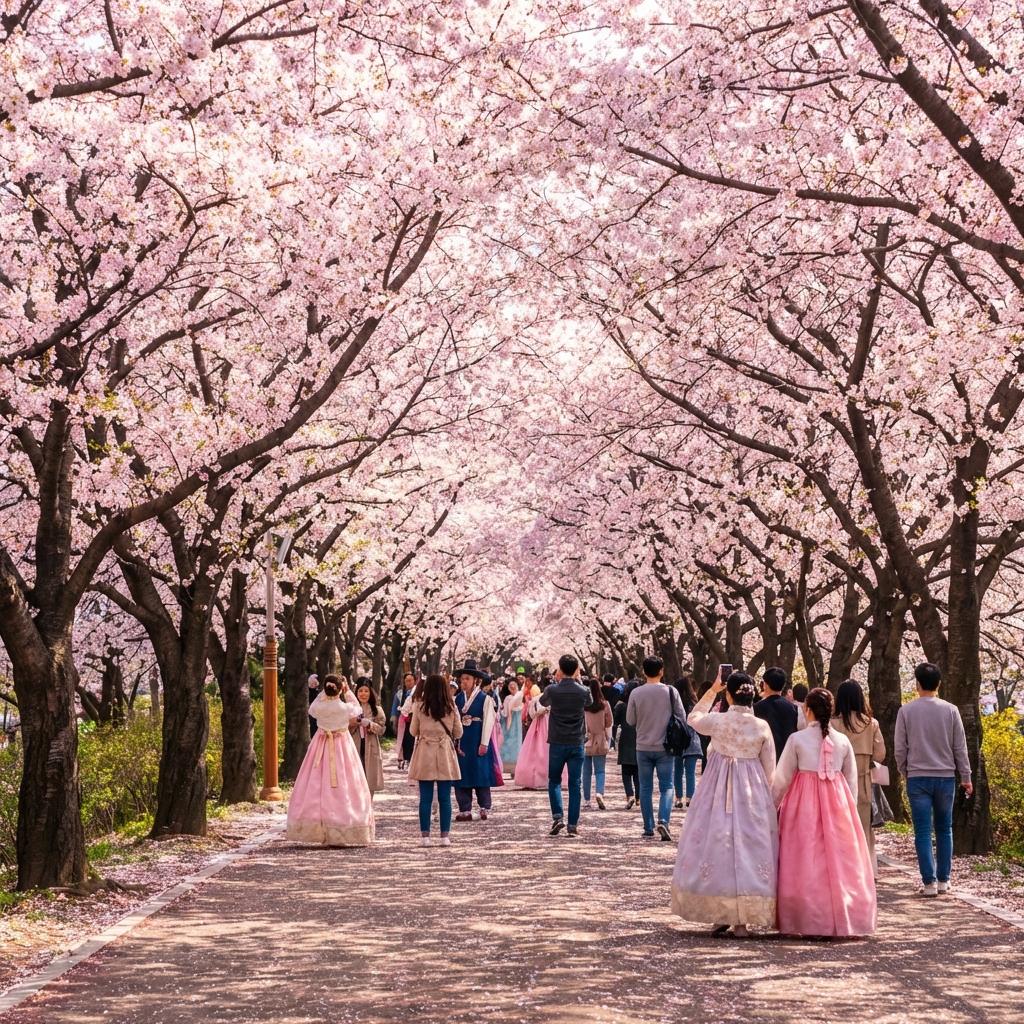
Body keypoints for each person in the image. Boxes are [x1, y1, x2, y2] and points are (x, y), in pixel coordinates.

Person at [671, 672, 777, 937]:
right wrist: (770, 798)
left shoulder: (718, 721)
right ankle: (742, 919)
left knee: (718, 845)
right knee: (749, 847)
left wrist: (712, 691)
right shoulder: (761, 726)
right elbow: (770, 767)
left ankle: (721, 910)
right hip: (752, 789)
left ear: (728, 695)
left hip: (717, 789)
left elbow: (692, 718)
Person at [773, 687, 876, 937]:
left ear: (807, 710)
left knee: (805, 857)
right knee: (837, 860)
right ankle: (841, 913)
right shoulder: (842, 741)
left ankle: (804, 915)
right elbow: (850, 780)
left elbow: (783, 777)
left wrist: (773, 804)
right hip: (837, 801)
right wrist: (847, 807)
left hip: (802, 802)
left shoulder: (797, 739)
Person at [895, 662, 973, 896]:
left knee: (922, 832)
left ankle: (928, 883)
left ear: (917, 684)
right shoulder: (950, 710)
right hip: (946, 777)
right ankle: (943, 880)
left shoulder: (906, 711)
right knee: (944, 829)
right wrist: (966, 776)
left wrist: (905, 771)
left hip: (918, 778)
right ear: (939, 684)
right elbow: (960, 747)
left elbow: (900, 748)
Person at [286, 675, 374, 846]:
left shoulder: (320, 706)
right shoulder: (345, 707)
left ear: (325, 690)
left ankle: (318, 827)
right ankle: (343, 824)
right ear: (340, 689)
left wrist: (322, 693)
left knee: (315, 783)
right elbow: (357, 708)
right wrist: (347, 692)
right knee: (345, 784)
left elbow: (311, 709)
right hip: (342, 746)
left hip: (320, 744)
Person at [626, 656, 686, 841]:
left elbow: (630, 720)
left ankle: (648, 827)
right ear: (661, 671)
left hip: (643, 747)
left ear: (644, 672)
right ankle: (664, 820)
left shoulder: (636, 693)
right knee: (667, 786)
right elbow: (682, 716)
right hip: (665, 747)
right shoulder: (671, 691)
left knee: (645, 787)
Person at [831, 680, 886, 873]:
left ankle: (842, 869)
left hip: (836, 782)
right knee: (863, 828)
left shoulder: (831, 724)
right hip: (863, 781)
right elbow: (880, 754)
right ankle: (866, 869)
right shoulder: (870, 724)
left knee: (838, 827)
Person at [540, 654, 595, 837]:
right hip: (576, 741)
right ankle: (572, 825)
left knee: (554, 780)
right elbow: (590, 703)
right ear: (577, 669)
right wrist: (578, 681)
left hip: (557, 740)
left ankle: (557, 816)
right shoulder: (584, 691)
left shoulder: (552, 690)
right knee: (575, 783)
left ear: (560, 669)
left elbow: (542, 702)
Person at [408, 672, 463, 847]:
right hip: (444, 752)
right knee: (445, 797)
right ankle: (444, 836)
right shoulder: (451, 706)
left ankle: (425, 837)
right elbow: (458, 732)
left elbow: (413, 731)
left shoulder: (419, 706)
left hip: (425, 751)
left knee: (425, 798)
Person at [453, 660, 496, 821]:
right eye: (462, 679)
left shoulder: (484, 699)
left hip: (478, 737)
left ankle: (484, 806)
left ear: (475, 681)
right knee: (462, 773)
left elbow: (489, 721)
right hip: (463, 739)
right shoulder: (457, 699)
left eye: (467, 679)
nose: (463, 682)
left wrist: (484, 742)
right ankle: (464, 808)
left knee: (481, 772)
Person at [350, 678, 386, 798]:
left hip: (371, 746)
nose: (363, 694)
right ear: (356, 692)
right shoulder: (350, 709)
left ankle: (368, 809)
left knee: (369, 780)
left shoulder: (377, 710)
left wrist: (370, 724)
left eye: (366, 691)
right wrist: (355, 722)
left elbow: (382, 729)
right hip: (354, 746)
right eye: (360, 691)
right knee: (354, 779)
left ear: (370, 693)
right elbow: (344, 728)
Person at [672, 676, 703, 810]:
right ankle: (690, 798)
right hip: (692, 739)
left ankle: (678, 798)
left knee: (677, 770)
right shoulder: (694, 703)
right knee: (690, 772)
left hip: (677, 739)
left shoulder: (673, 703)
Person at [754, 666, 796, 762]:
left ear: (765, 685)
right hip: (787, 756)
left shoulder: (757, 707)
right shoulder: (792, 707)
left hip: (765, 757)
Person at [583, 677, 613, 810]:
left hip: (586, 739)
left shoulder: (584, 705)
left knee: (586, 772)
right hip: (600, 738)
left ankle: (587, 800)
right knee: (600, 770)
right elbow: (609, 722)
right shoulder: (605, 704)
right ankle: (599, 793)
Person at [613, 680, 640, 808]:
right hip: (640, 738)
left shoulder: (621, 706)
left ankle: (630, 795)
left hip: (625, 739)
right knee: (638, 770)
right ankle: (639, 797)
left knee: (626, 771)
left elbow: (615, 723)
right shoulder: (641, 705)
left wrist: (613, 739)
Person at [392, 672, 418, 769]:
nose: (408, 682)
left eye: (410, 680)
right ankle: (404, 759)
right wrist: (394, 718)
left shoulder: (418, 693)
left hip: (414, 720)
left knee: (413, 740)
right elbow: (395, 707)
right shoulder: (400, 693)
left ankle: (412, 759)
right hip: (403, 720)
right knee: (403, 740)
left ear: (415, 681)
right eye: (406, 681)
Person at [500, 679, 524, 773]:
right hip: (517, 725)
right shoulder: (520, 697)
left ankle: (506, 766)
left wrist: (500, 713)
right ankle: (516, 766)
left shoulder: (508, 698)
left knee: (506, 742)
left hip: (508, 725)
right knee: (516, 743)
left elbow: (505, 713)